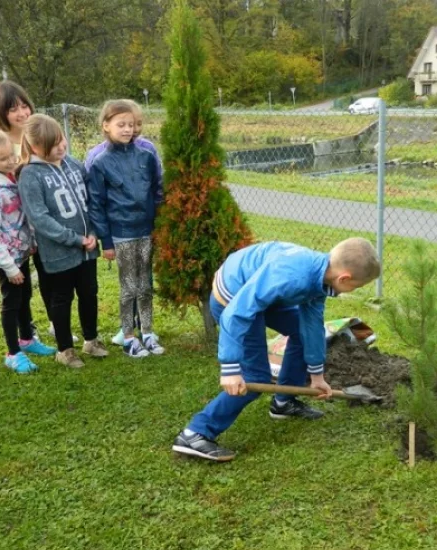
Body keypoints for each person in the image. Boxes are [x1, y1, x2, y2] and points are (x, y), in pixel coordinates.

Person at [172, 238, 381, 462]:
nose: (353, 290)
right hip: (233, 298)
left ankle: (284, 401)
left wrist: (316, 374)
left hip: (263, 294)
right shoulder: (293, 276)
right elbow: (237, 313)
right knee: (254, 377)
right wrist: (230, 368)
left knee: (306, 332)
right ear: (344, 278)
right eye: (356, 287)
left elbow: (311, 326)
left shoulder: (320, 276)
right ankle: (195, 434)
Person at [17, 114, 108, 369]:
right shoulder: (30, 175)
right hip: (59, 253)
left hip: (88, 248)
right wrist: (74, 239)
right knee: (62, 298)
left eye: (61, 140)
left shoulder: (73, 164)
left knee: (89, 292)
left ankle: (91, 339)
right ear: (35, 147)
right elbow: (40, 218)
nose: (60, 147)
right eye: (52, 145)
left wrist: (93, 233)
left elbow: (91, 200)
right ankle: (65, 348)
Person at [0, 128, 57, 373]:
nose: (11, 161)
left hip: (21, 253)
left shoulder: (10, 178)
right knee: (12, 303)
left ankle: (27, 339)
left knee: (25, 297)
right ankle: (13, 352)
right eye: (3, 159)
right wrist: (8, 266)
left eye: (12, 155)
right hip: (7, 260)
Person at [0, 80, 66, 344]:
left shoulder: (38, 137)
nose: (21, 113)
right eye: (13, 109)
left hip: (41, 225)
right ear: (1, 113)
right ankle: (26, 332)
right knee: (20, 287)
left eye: (24, 106)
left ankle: (58, 324)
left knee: (49, 277)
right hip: (14, 230)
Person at [87, 100, 164, 358]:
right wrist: (106, 242)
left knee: (145, 285)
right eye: (121, 124)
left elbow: (157, 190)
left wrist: (159, 224)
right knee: (128, 287)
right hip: (121, 234)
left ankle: (148, 332)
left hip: (146, 231)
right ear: (106, 125)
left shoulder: (147, 156)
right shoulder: (100, 162)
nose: (127, 129)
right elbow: (96, 204)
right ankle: (128, 337)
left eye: (131, 125)